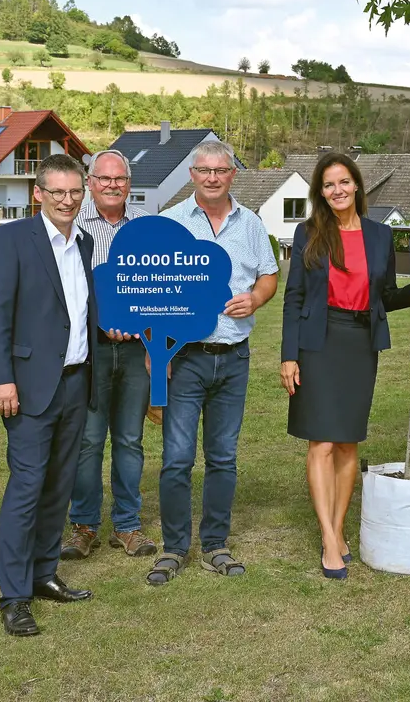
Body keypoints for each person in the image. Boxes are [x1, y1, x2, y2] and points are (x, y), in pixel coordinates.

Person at [147, 140, 279, 587]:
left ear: (232, 174)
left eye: (220, 170)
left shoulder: (253, 224)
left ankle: (215, 544)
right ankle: (173, 548)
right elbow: (153, 294)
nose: (212, 177)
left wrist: (256, 297)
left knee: (223, 457)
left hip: (234, 359)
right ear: (191, 173)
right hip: (183, 359)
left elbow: (268, 274)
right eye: (203, 170)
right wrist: (155, 353)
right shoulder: (169, 224)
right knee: (177, 458)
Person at [280, 153, 410, 579]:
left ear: (357, 185)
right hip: (318, 343)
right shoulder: (309, 234)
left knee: (347, 444)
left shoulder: (380, 236)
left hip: (361, 345)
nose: (337, 190)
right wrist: (289, 355)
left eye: (343, 182)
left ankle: (338, 530)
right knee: (321, 442)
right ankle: (328, 538)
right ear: (320, 192)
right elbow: (295, 297)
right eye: (328, 185)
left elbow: (385, 297)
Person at [0, 154, 98, 637]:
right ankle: (14, 596)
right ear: (38, 194)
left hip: (75, 382)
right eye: (58, 192)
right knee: (27, 488)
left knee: (59, 486)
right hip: (27, 387)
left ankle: (45, 573)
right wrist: (0, 379)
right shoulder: (10, 239)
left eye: (75, 192)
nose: (68, 201)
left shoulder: (85, 242)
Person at [60, 149, 158, 561]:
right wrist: (100, 322)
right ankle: (83, 525)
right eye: (104, 179)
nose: (112, 185)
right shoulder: (73, 230)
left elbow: (160, 289)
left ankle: (127, 525)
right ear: (90, 183)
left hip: (137, 351)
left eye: (120, 179)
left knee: (131, 440)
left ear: (129, 185)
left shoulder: (148, 230)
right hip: (91, 350)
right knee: (88, 440)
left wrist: (154, 344)